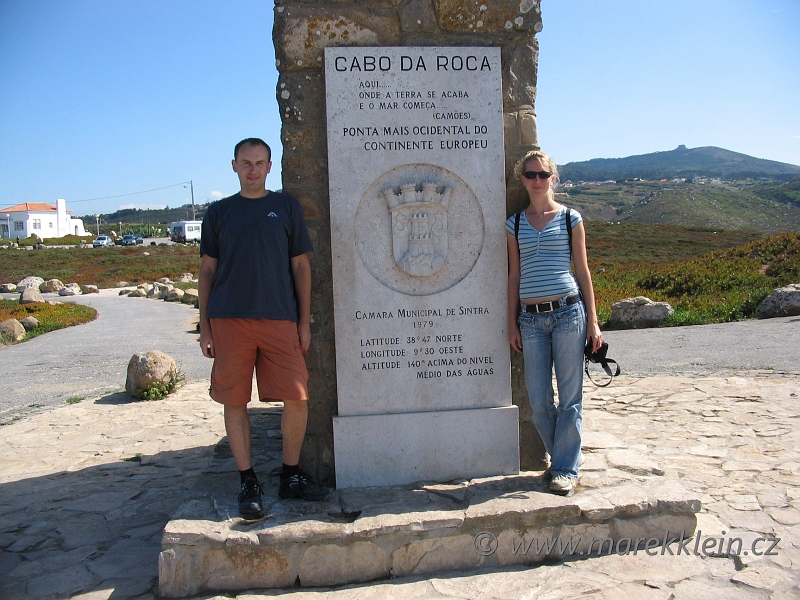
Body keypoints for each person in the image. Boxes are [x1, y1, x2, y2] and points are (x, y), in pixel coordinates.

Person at [198, 137, 329, 518]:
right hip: (228, 319)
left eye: (259, 162)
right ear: (234, 165)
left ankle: (290, 475)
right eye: (246, 162)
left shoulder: (285, 207)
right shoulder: (219, 212)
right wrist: (205, 326)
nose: (253, 169)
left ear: (270, 166)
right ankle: (248, 480)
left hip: (279, 319)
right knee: (235, 401)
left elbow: (301, 267)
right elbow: (207, 270)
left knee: (298, 396)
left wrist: (303, 322)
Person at [506, 150, 603, 496]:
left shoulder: (570, 219)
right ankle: (561, 458)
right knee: (539, 401)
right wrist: (511, 323)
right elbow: (514, 276)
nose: (536, 181)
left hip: (567, 313)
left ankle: (564, 468)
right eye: (530, 175)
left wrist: (594, 321)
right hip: (530, 322)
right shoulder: (514, 224)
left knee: (571, 398)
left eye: (543, 174)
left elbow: (583, 271)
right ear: (522, 178)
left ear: (553, 178)